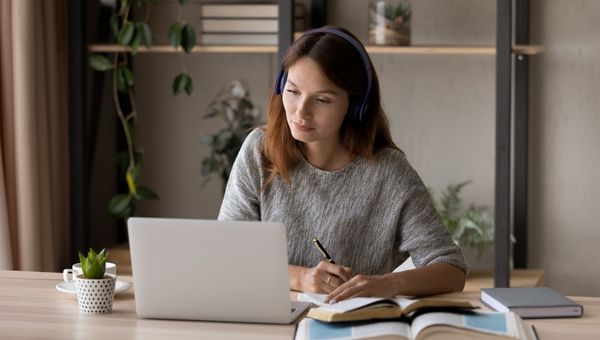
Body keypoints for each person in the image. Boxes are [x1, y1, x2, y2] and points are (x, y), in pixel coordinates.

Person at [218, 26, 467, 302]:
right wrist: (302, 277)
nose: (301, 111)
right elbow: (228, 255)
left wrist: (387, 284)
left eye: (322, 99)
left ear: (355, 105)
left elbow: (451, 268)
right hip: (270, 322)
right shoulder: (259, 151)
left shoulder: (389, 172)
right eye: (293, 91)